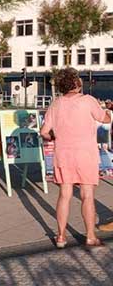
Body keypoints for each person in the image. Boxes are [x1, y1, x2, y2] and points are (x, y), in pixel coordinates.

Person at [40, 67, 111, 249]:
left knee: (65, 195)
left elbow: (44, 132)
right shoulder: (88, 101)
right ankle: (90, 236)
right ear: (76, 83)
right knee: (87, 195)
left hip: (63, 154)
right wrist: (109, 111)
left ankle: (61, 236)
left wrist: (55, 137)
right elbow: (105, 119)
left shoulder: (56, 104)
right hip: (85, 154)